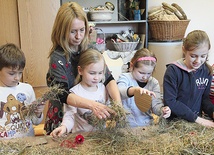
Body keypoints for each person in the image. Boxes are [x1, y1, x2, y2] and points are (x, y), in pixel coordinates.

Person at [45, 1, 121, 134]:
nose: (78, 36)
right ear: (62, 31)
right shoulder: (57, 58)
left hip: (86, 120)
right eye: (72, 31)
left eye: (82, 30)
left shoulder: (89, 49)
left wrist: (118, 105)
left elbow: (108, 79)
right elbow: (63, 95)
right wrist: (93, 105)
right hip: (64, 116)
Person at [50, 49, 109, 138]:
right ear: (80, 70)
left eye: (100, 73)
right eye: (92, 73)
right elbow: (70, 116)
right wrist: (64, 127)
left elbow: (108, 108)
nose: (96, 78)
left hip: (100, 137)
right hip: (81, 138)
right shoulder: (74, 93)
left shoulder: (103, 89)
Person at [163, 30, 214, 127]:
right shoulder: (173, 71)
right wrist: (197, 119)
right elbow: (170, 101)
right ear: (184, 50)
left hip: (195, 123)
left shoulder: (206, 71)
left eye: (203, 56)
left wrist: (212, 112)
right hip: (175, 123)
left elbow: (204, 99)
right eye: (193, 56)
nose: (198, 61)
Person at [0, 43, 45, 139]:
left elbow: (35, 122)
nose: (17, 78)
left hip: (28, 145)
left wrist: (38, 113)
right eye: (12, 73)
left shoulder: (27, 89)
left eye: (20, 73)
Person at [117, 48, 171, 127]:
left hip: (145, 125)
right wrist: (135, 90)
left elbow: (156, 105)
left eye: (149, 73)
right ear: (132, 66)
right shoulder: (125, 78)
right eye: (141, 73)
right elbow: (119, 91)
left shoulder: (153, 83)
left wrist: (163, 110)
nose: (145, 77)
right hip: (125, 126)